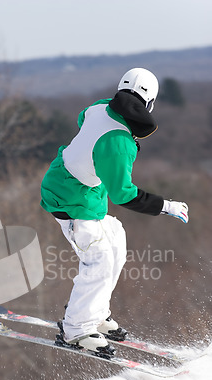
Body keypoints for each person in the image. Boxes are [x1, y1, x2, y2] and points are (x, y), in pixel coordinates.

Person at [40, 68, 189, 357]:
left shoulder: (98, 108)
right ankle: (76, 330)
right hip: (69, 198)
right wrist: (166, 206)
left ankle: (94, 312)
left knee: (116, 240)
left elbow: (83, 117)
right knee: (99, 259)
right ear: (150, 103)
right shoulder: (119, 143)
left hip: (83, 191)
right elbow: (123, 194)